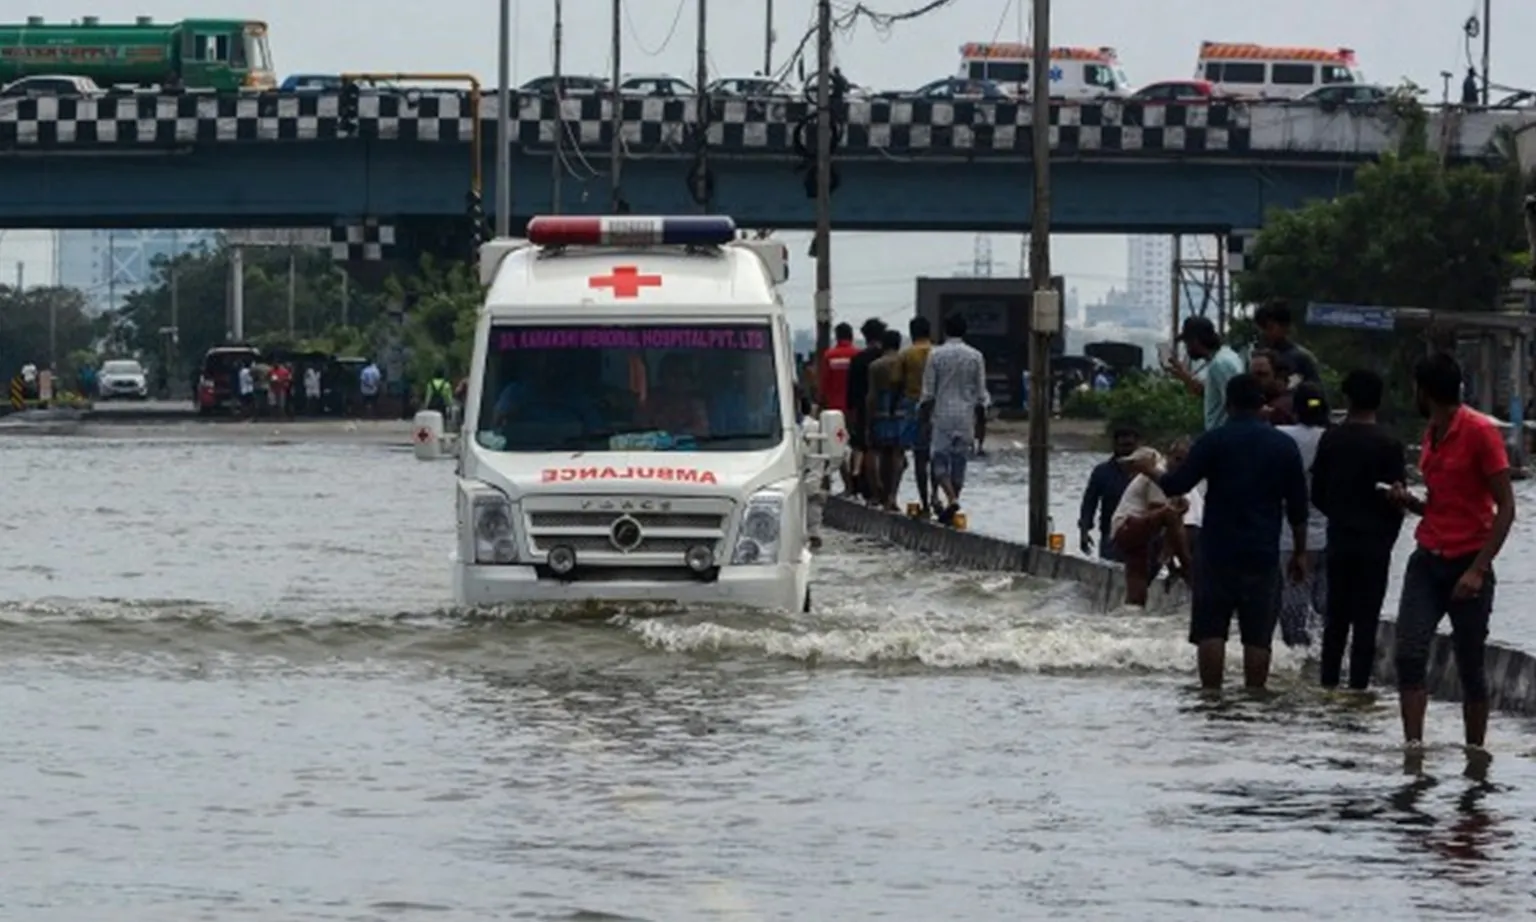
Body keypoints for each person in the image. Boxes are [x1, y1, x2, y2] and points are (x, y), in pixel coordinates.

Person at [1135, 373, 1309, 691]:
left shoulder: (1213, 441)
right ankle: (1254, 698)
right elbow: (1298, 507)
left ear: (1228, 405)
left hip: (1217, 550)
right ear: (1262, 404)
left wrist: (1152, 470)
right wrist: (1299, 552)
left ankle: (1211, 697)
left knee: (1211, 630)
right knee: (1258, 635)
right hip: (1263, 550)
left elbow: (1177, 485)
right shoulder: (1283, 446)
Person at [1388, 353, 1514, 769]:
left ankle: (1475, 756)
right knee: (1409, 650)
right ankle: (1414, 750)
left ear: (1424, 392)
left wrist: (1478, 569)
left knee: (1470, 663)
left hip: (1467, 562)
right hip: (1428, 557)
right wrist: (1410, 502)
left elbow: (1506, 508)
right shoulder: (1432, 432)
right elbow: (1442, 505)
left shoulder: (1479, 432)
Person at [1310, 369, 1405, 692]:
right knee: (1367, 620)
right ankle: (1359, 688)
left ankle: (1328, 685)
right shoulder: (1390, 444)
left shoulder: (1332, 438)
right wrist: (1386, 534)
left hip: (1340, 539)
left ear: (1347, 399)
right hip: (1375, 544)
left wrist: (1339, 515)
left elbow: (1317, 493)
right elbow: (1399, 498)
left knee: (1335, 617)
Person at [1274, 381, 1331, 648]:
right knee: (1327, 609)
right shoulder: (1335, 437)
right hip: (1332, 536)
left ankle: (1299, 666)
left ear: (1295, 410)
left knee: (1293, 613)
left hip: (1292, 537)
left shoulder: (1281, 436)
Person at [919, 312, 988, 526]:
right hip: (966, 417)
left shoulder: (935, 355)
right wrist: (981, 426)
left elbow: (928, 393)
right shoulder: (976, 356)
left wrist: (923, 419)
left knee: (939, 462)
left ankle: (951, 499)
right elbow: (981, 394)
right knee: (960, 463)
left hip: (942, 416)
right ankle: (953, 503)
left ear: (945, 331)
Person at [1109, 446, 1193, 607]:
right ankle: (1189, 568)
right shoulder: (1159, 475)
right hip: (1128, 525)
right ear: (1168, 457)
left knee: (1138, 579)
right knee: (1171, 514)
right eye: (1177, 459)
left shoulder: (1174, 481)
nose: (1180, 465)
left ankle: (1133, 611)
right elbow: (1161, 514)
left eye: (1184, 462)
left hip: (1129, 530)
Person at [1166, 316, 1244, 431]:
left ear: (1195, 341)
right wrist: (1185, 376)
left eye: (1187, 343)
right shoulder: (1227, 355)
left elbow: (1235, 405)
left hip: (1223, 435)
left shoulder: (1219, 364)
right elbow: (1211, 393)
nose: (1187, 348)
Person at [1078, 426, 1139, 561]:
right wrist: (1084, 531)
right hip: (1111, 536)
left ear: (1137, 446)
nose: (1126, 451)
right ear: (1115, 446)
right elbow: (1089, 503)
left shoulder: (1146, 473)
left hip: (1142, 537)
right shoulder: (1102, 472)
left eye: (1130, 446)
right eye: (1122, 446)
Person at [844, 318, 887, 502]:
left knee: (861, 445)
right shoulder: (885, 359)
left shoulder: (857, 359)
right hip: (883, 408)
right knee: (882, 449)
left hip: (861, 408)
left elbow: (851, 389)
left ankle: (858, 480)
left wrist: (851, 412)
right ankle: (881, 487)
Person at [865, 329, 906, 510]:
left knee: (877, 451)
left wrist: (868, 418)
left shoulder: (876, 366)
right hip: (901, 412)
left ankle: (877, 491)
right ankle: (893, 495)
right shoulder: (905, 363)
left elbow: (872, 394)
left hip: (880, 410)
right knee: (897, 453)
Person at [898, 317, 935, 517]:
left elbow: (897, 381)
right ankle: (937, 495)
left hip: (913, 406)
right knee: (936, 456)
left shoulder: (906, 355)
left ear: (912, 333)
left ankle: (925, 502)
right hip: (936, 408)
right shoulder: (936, 353)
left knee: (919, 458)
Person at [1252, 300, 1321, 385]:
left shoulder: (1301, 359)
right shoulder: (1255, 357)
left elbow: (1315, 390)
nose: (1264, 333)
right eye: (1261, 329)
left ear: (1285, 327)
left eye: (1270, 327)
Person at [1247, 349, 1296, 425]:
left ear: (1277, 375)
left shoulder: (1290, 404)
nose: (1256, 380)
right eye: (1252, 375)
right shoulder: (1251, 401)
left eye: (1262, 375)